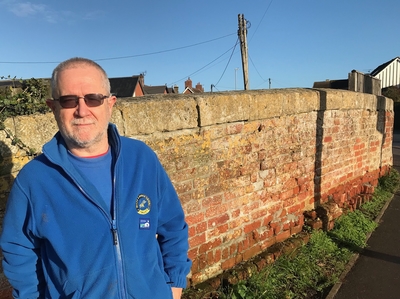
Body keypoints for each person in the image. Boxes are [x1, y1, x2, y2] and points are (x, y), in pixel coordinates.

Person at [0, 57, 192, 299]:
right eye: (69, 100)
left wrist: (173, 288)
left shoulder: (141, 159)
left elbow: (172, 226)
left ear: (110, 104)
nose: (82, 110)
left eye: (93, 98)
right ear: (53, 107)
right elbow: (19, 255)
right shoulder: (34, 181)